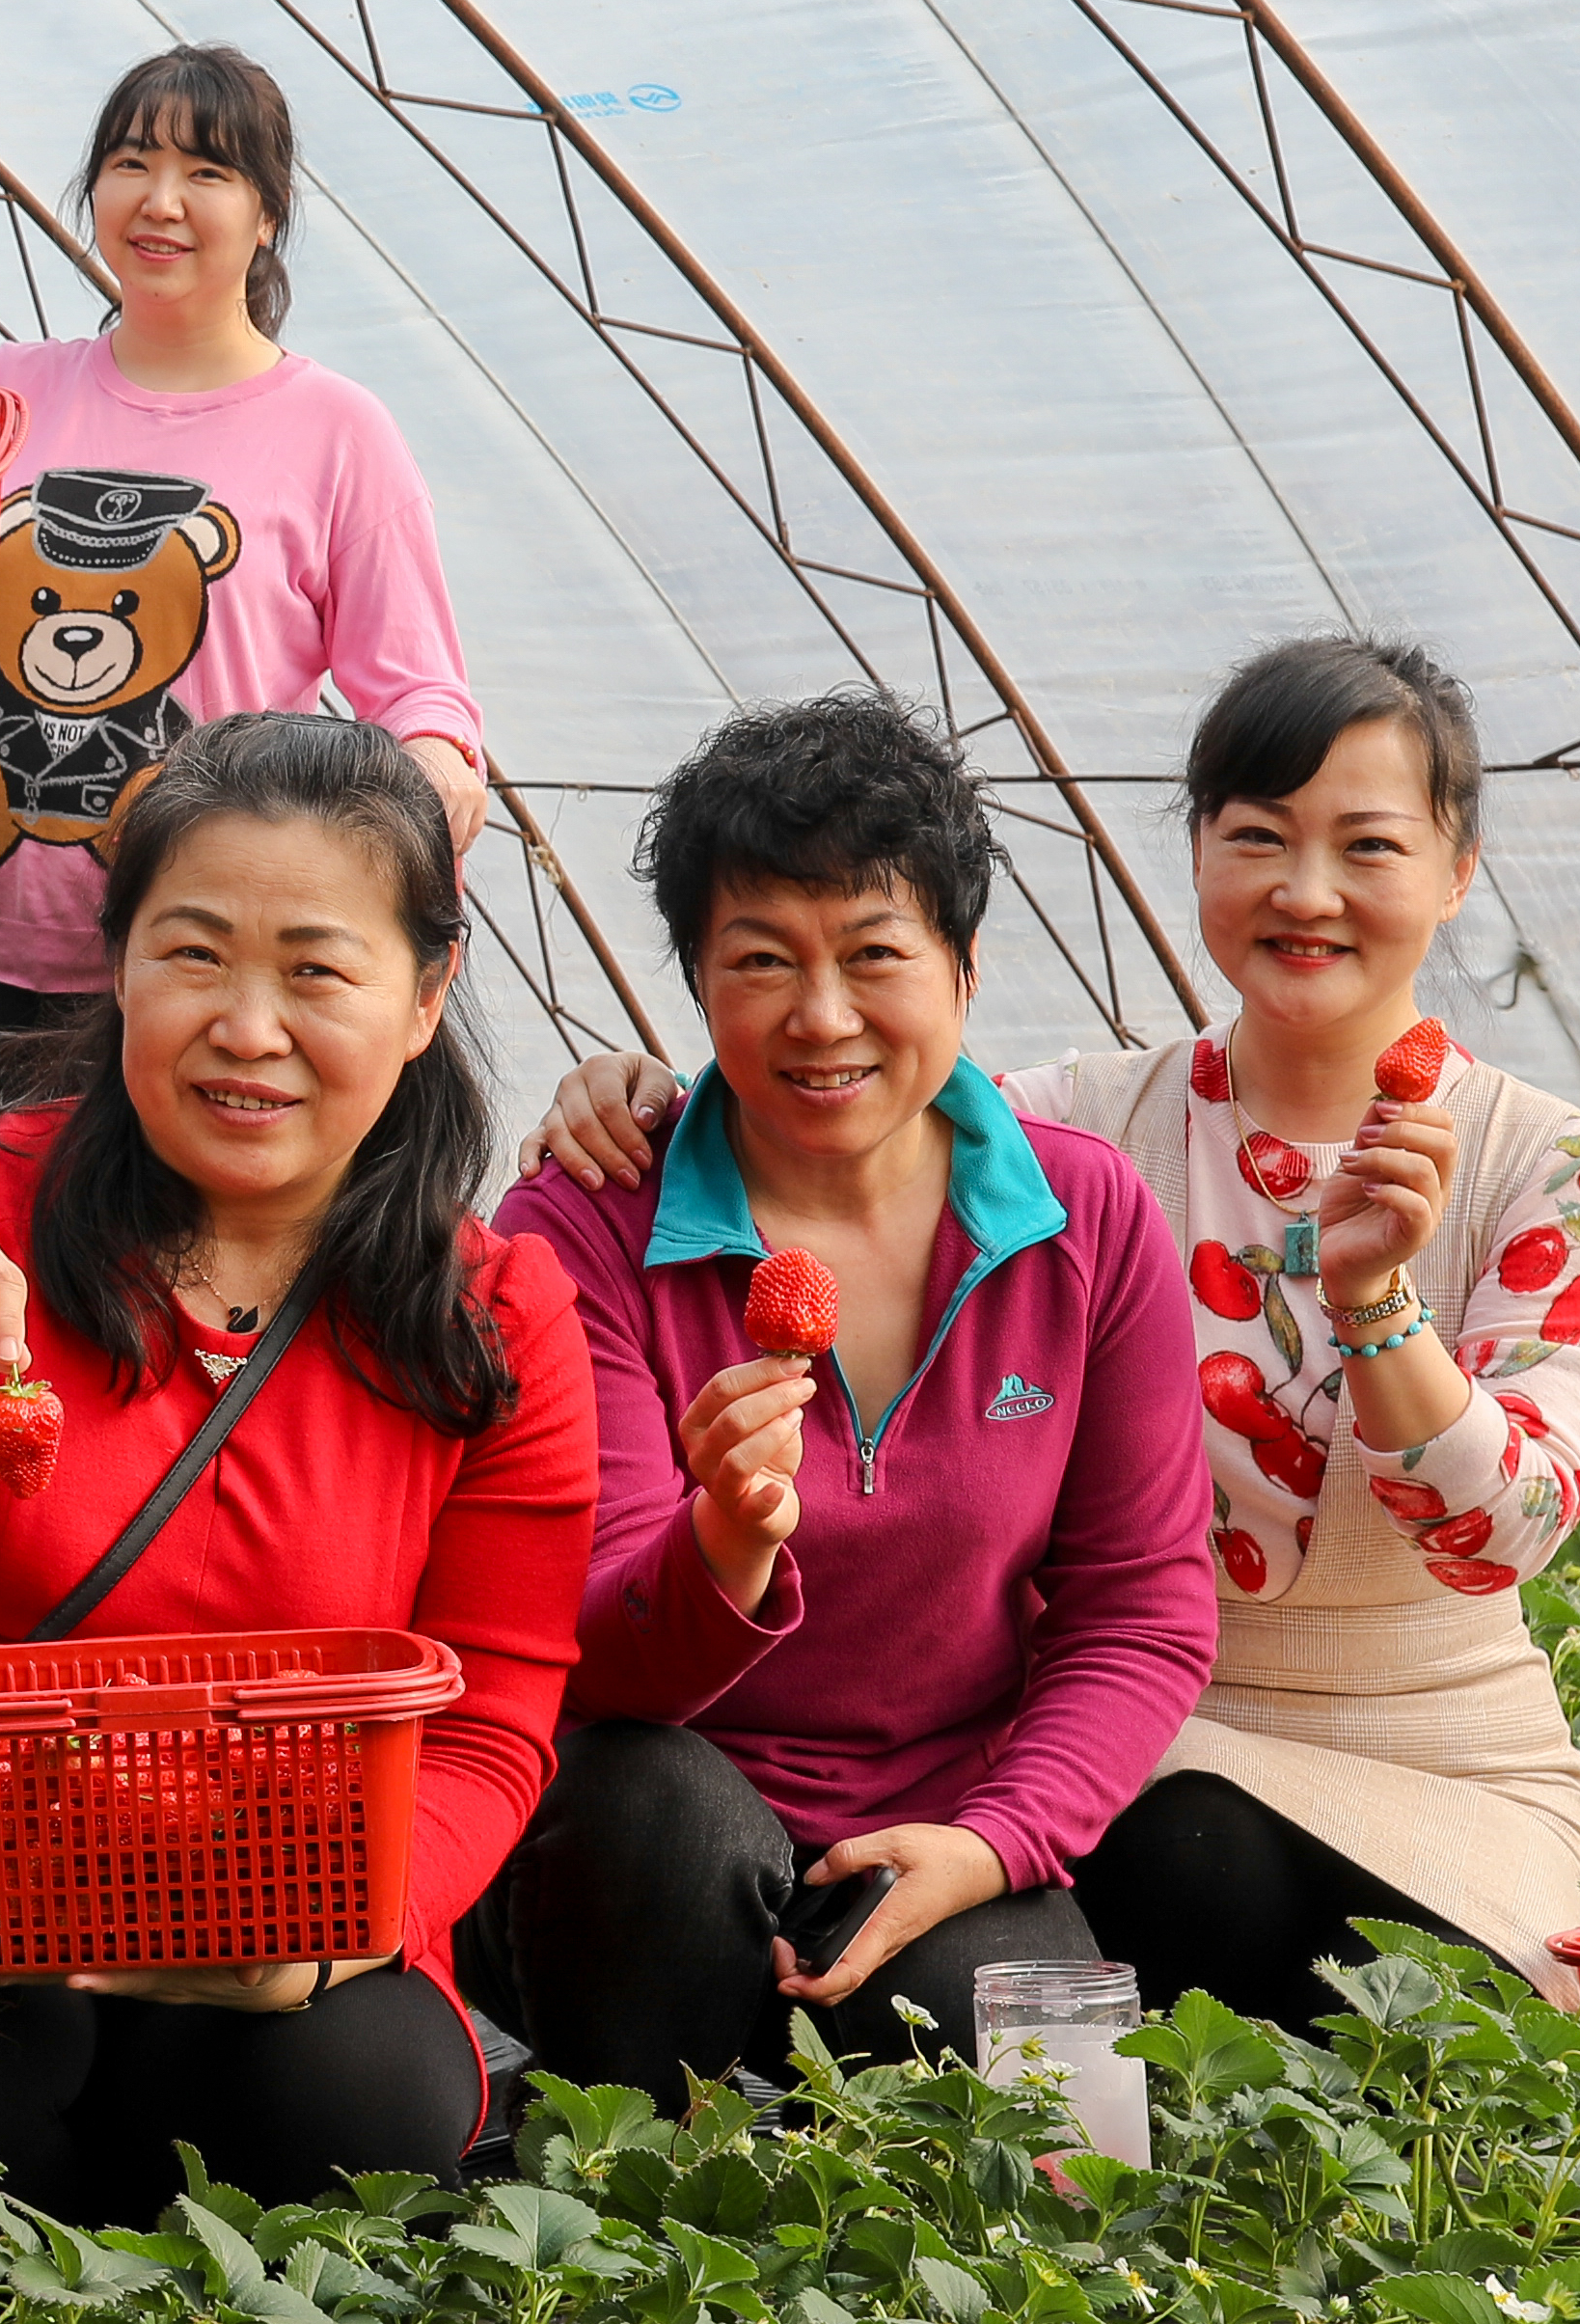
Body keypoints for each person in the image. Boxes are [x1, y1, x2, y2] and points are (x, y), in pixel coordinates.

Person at [522, 636, 1580, 2025]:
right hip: (1128, 1760)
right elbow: (850, 1096)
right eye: (1259, 837)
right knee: (1130, 1872)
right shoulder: (1083, 1125)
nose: (1306, 891)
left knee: (1084, 2103)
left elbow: (1481, 1539)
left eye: (1366, 845)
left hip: (1346, 1751)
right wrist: (628, 1097)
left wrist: (1375, 1301)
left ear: (1459, 866)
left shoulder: (1539, 1168)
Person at [0, 715, 595, 2211]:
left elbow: (492, 1713)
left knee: (346, 2103)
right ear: (120, 962)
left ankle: (119, 2148)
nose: (248, 1025)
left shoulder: (490, 1319)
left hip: (284, 1913)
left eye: (316, 971)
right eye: (195, 954)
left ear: (425, 997)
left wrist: (341, 1936)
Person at [479, 693, 1215, 2093]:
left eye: (875, 954)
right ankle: (627, 2160)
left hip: (933, 1834)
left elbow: (1143, 1605)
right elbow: (581, 1647)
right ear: (697, 984)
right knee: (654, 1806)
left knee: (1063, 2163)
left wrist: (995, 1843)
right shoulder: (585, 1229)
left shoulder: (1084, 1218)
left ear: (965, 967)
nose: (822, 1018)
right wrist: (724, 1547)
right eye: (761, 961)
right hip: (644, 1836)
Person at [0, 46, 479, 1080]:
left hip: (214, 961)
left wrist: (436, 769)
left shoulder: (336, 431)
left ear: (268, 213)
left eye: (208, 173)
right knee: (26, 1232)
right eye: (132, 163)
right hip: (12, 956)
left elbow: (419, 692)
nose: (160, 202)